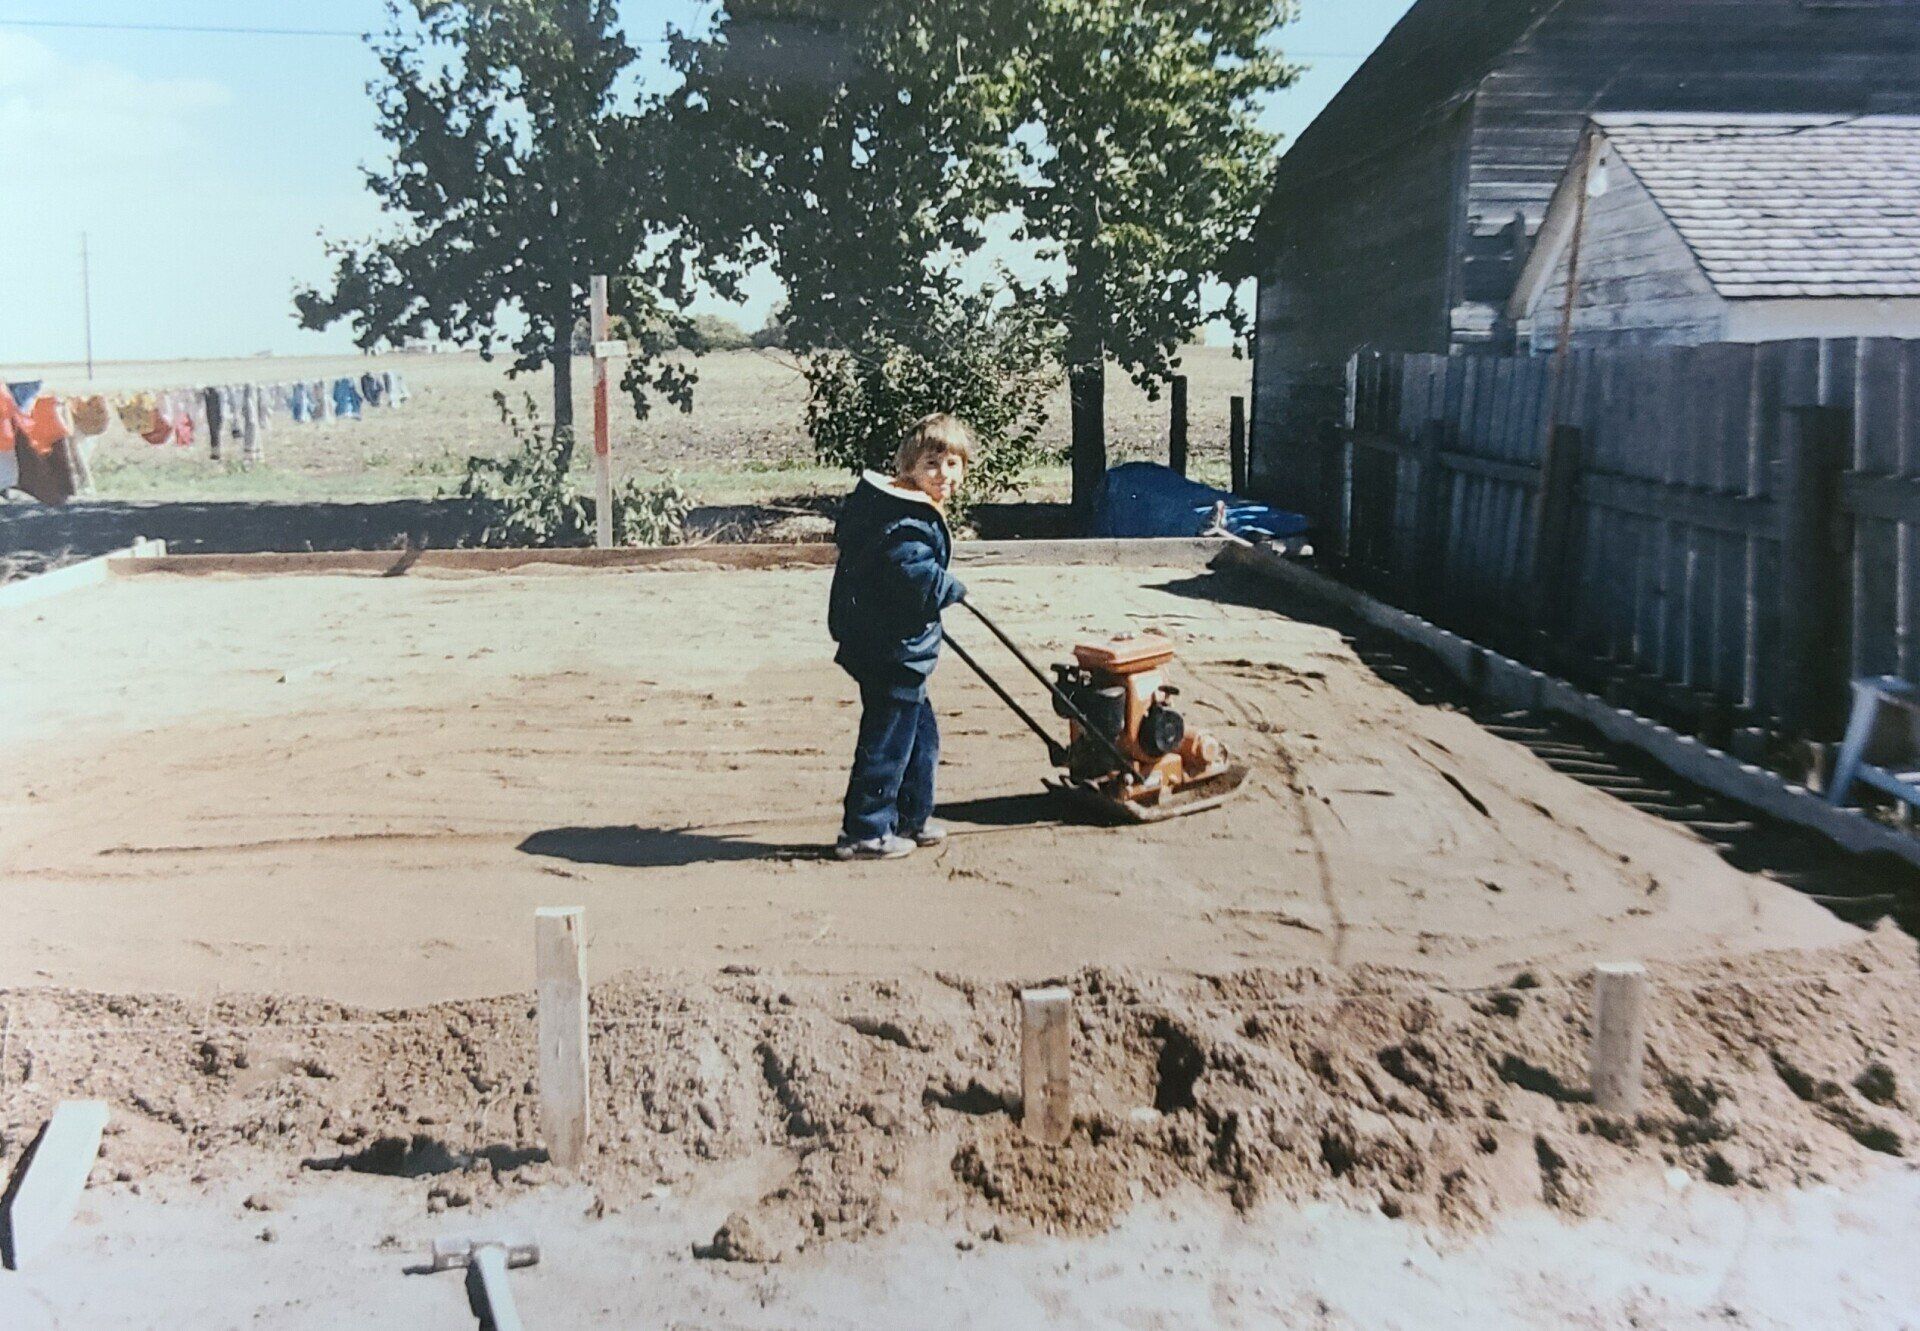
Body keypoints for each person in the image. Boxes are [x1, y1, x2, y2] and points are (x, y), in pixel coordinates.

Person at [826, 413, 973, 860]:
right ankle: (866, 830)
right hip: (891, 650)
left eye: (953, 464)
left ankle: (911, 816)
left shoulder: (904, 507)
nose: (943, 474)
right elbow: (907, 570)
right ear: (909, 466)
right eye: (932, 464)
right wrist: (945, 587)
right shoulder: (903, 518)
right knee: (889, 740)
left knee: (920, 736)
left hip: (896, 644)